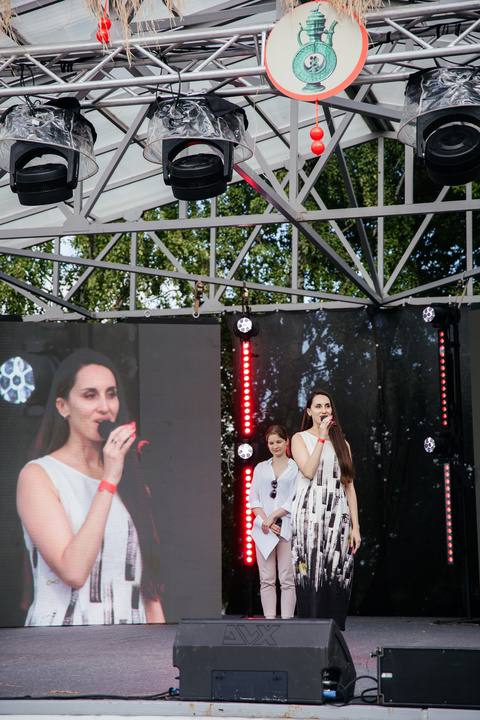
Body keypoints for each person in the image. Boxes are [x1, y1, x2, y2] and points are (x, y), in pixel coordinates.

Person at [16, 348, 165, 626]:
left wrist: (160, 650)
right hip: (63, 641)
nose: (105, 407)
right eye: (90, 395)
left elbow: (150, 591)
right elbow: (73, 571)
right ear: (63, 407)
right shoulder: (38, 476)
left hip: (131, 641)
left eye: (111, 394)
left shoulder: (132, 482)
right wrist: (108, 481)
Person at [291, 390, 361, 630]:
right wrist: (321, 438)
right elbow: (308, 471)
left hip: (338, 516)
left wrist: (355, 527)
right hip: (308, 515)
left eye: (327, 406)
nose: (324, 410)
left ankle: (334, 630)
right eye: (318, 406)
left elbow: (349, 486)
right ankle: (310, 630)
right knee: (311, 570)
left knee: (337, 569)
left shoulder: (343, 444)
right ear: (309, 411)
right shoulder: (299, 439)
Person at [249, 424, 297, 620]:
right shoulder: (261, 468)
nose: (275, 446)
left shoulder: (296, 468)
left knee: (287, 578)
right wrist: (266, 521)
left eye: (278, 441)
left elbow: (294, 498)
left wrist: (274, 516)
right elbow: (253, 499)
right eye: (271, 443)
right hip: (264, 530)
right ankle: (269, 621)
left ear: (287, 442)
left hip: (286, 527)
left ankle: (287, 621)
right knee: (266, 579)